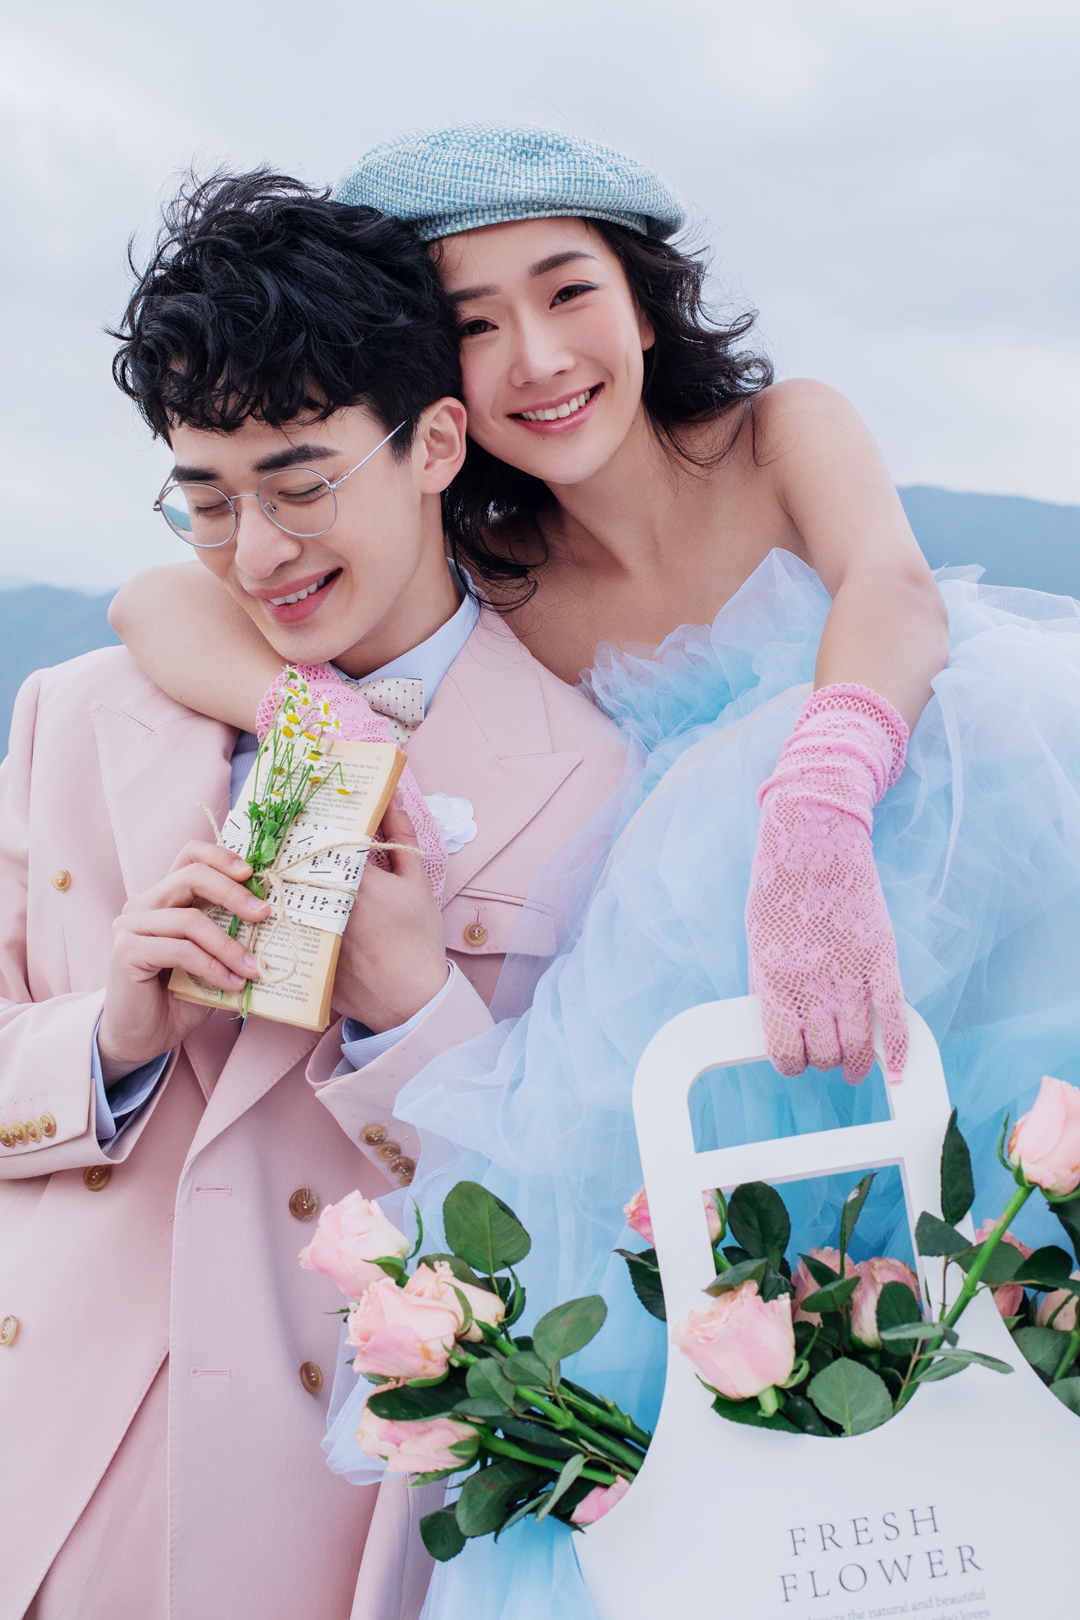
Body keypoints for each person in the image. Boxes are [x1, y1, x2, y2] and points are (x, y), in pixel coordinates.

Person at [109, 128, 1080, 1619]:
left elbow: (889, 589)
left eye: (568, 292)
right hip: (717, 1026)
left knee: (1010, 1287)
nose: (539, 358)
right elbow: (157, 600)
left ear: (642, 298)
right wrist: (317, 718)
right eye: (475, 325)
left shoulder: (776, 436)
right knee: (756, 1389)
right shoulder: (498, 562)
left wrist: (818, 800)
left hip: (954, 900)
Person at [0, 171, 626, 1620]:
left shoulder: (594, 777)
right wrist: (109, 1040)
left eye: (301, 485)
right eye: (207, 501)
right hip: (44, 1470)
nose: (259, 554)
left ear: (435, 443)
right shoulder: (73, 714)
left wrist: (412, 1013)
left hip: (330, 1505)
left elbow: (601, 1209)